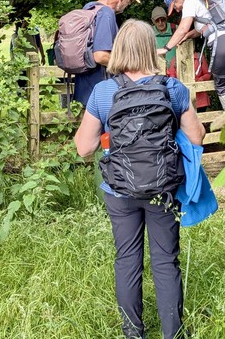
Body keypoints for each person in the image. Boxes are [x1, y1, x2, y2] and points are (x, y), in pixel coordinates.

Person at [75, 20, 205, 339]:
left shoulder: (103, 92)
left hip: (119, 189)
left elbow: (83, 148)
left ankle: (133, 333)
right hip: (164, 189)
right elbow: (197, 137)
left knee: (127, 260)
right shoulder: (172, 88)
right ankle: (173, 334)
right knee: (165, 261)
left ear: (119, 48)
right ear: (150, 48)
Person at [73, 0, 140, 107]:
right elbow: (100, 56)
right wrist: (129, 65)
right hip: (100, 94)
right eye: (130, 0)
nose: (129, 4)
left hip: (84, 90)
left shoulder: (89, 8)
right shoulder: (106, 13)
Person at [151, 6, 177, 70]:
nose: (160, 23)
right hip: (157, 69)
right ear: (153, 21)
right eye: (157, 20)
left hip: (176, 68)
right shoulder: (149, 32)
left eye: (162, 19)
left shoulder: (175, 29)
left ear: (166, 18)